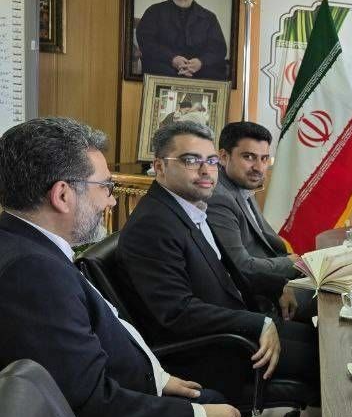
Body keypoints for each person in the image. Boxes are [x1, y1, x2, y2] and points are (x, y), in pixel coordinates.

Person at [0, 118, 291, 417]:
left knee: (217, 403)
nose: (110, 200)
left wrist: (159, 379)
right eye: (105, 186)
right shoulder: (31, 273)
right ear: (62, 195)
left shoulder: (28, 245)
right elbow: (89, 404)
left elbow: (89, 350)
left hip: (130, 402)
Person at [117, 121, 319, 391]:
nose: (205, 170)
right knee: (328, 361)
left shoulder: (190, 207)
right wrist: (257, 322)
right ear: (160, 167)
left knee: (323, 338)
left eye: (211, 161)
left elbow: (227, 272)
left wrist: (278, 287)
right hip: (212, 349)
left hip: (233, 327)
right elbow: (177, 313)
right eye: (191, 161)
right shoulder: (152, 225)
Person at [206, 121, 307, 318]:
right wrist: (292, 264)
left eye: (264, 158)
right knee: (338, 299)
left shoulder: (242, 184)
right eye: (249, 157)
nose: (259, 168)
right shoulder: (218, 198)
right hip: (256, 298)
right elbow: (241, 266)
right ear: (224, 157)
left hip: (276, 280)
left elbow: (267, 245)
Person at [136, 0, 228, 80]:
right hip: (163, 65)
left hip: (199, 69)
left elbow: (219, 48)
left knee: (216, 73)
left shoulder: (209, 17)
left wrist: (200, 62)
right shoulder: (154, 11)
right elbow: (146, 42)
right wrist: (172, 59)